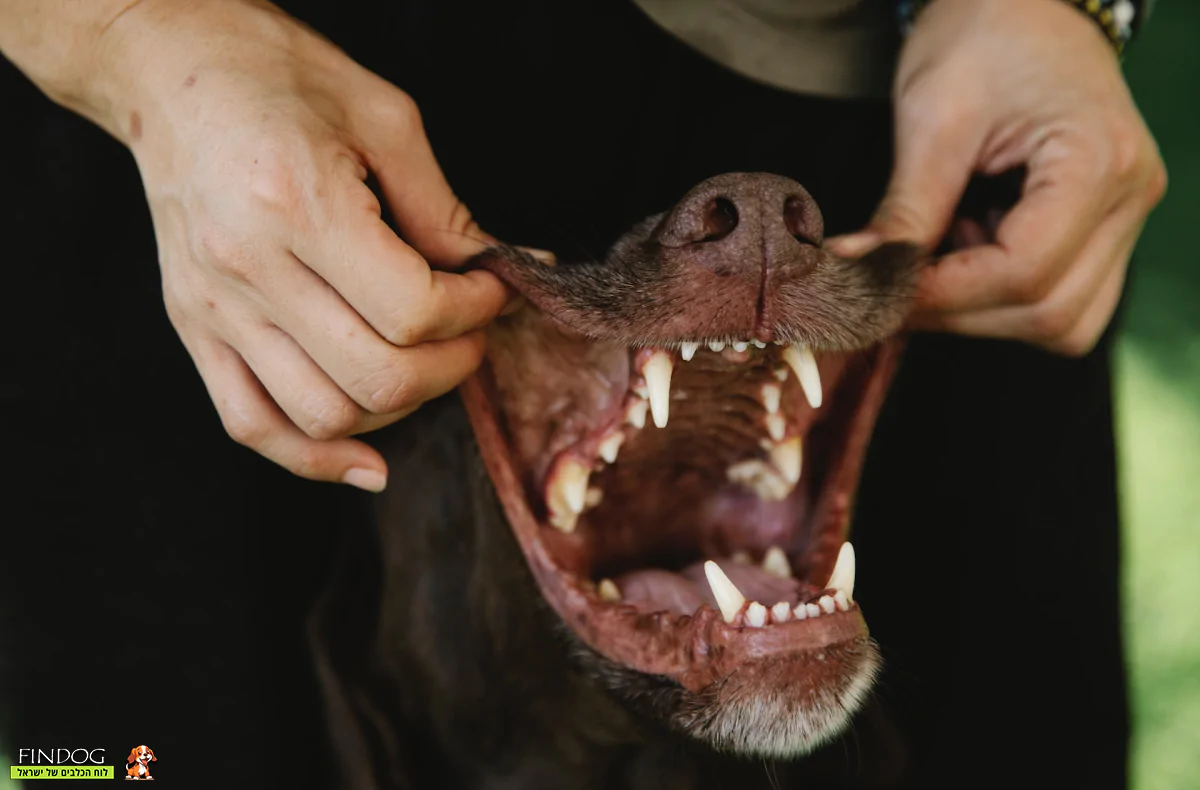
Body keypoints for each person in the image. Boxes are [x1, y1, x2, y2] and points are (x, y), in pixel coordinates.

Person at [0, 0, 1164, 788]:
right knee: (100, 758)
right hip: (199, 142)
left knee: (1017, 739)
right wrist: (123, 33)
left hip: (868, 88)